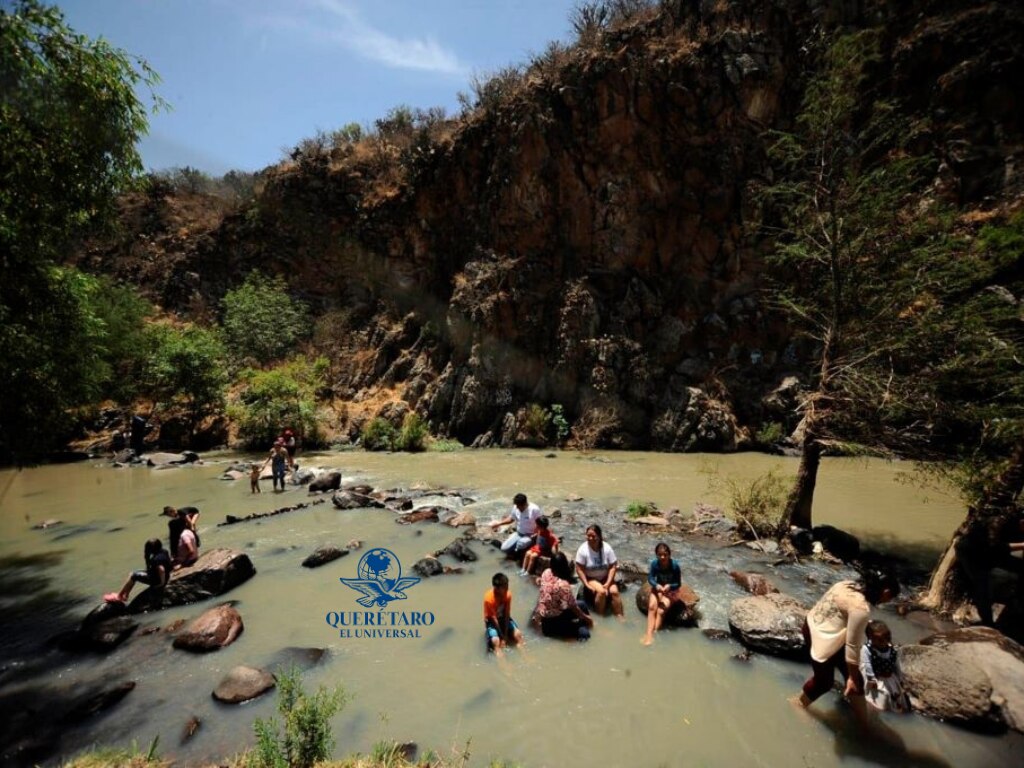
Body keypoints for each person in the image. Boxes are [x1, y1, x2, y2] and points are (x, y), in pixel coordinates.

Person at [795, 569, 901, 725]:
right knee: (824, 682)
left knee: (857, 681)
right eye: (889, 598)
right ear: (886, 592)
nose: (887, 602)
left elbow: (840, 613)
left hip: (812, 624)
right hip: (822, 638)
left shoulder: (845, 585)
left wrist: (853, 676)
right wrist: (851, 677)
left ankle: (864, 725)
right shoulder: (860, 608)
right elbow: (852, 645)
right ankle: (797, 704)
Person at [954, 510, 1024, 626]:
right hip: (971, 552)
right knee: (982, 586)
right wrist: (1021, 545)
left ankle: (1016, 603)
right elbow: (994, 547)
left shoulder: (1015, 523)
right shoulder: (998, 522)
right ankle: (988, 623)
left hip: (989, 550)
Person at [535, 552, 593, 641]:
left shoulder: (546, 572)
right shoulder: (563, 585)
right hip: (553, 624)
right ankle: (582, 632)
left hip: (544, 620)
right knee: (585, 634)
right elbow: (574, 608)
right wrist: (588, 619)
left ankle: (582, 627)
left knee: (582, 604)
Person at [861, 619, 910, 713]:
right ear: (871, 638)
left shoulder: (892, 650)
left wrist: (901, 679)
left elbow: (896, 665)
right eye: (879, 640)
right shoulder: (867, 649)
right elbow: (867, 664)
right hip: (877, 679)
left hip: (891, 679)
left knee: (895, 696)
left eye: (886, 638)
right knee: (881, 698)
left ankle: (894, 710)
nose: (883, 642)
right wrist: (871, 679)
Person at [574, 524, 623, 617]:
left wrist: (608, 583)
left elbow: (613, 566)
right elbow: (579, 568)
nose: (590, 538)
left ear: (599, 537)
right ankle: (600, 616)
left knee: (614, 592)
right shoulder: (583, 550)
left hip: (605, 577)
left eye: (593, 536)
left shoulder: (607, 548)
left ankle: (620, 616)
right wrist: (586, 584)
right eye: (588, 536)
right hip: (591, 578)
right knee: (601, 592)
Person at [104, 538, 171, 603]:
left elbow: (162, 570)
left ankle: (119, 596)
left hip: (156, 580)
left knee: (134, 575)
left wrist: (161, 583)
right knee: (133, 573)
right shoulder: (164, 551)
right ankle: (125, 595)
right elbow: (167, 564)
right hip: (161, 576)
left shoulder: (156, 559)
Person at [643, 542, 684, 645]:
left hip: (671, 590)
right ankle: (648, 634)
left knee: (661, 611)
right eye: (660, 555)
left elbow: (678, 584)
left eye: (665, 555)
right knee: (652, 607)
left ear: (669, 555)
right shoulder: (654, 564)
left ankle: (654, 633)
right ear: (656, 555)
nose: (662, 557)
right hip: (659, 587)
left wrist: (670, 586)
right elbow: (650, 578)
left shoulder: (675, 566)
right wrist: (656, 585)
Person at [490, 493, 542, 557]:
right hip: (519, 533)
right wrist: (499, 524)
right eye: (516, 505)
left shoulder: (534, 509)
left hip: (530, 535)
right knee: (504, 549)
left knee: (521, 544)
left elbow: (540, 524)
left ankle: (523, 547)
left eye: (518, 506)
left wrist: (535, 535)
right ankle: (516, 548)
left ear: (524, 504)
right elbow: (511, 519)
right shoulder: (516, 507)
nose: (517, 507)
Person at [484, 572, 524, 657]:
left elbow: (507, 613)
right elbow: (493, 619)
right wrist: (502, 637)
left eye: (507, 586)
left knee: (518, 634)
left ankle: (526, 656)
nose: (507, 588)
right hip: (492, 621)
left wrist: (505, 635)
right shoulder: (489, 599)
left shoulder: (507, 594)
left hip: (503, 617)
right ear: (496, 588)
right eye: (504, 587)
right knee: (496, 641)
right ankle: (504, 663)